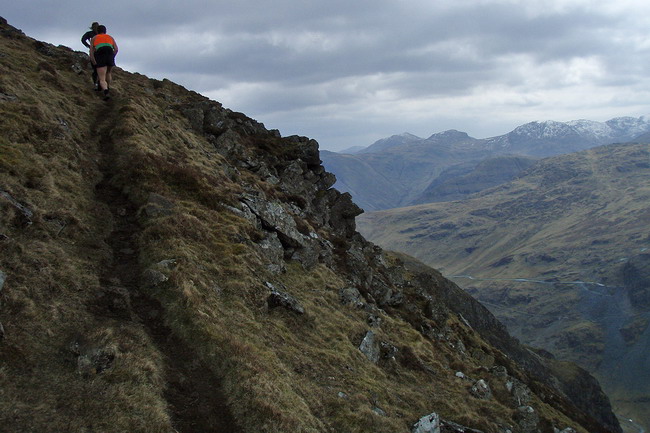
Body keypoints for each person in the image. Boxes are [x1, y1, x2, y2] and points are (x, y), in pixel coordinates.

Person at [89, 25, 118, 101]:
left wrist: (94, 61)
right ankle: (108, 87)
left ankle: (106, 92)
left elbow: (91, 51)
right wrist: (113, 56)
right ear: (105, 31)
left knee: (101, 77)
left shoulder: (94, 38)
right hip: (110, 54)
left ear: (97, 31)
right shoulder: (110, 37)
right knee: (108, 73)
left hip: (100, 55)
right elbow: (116, 49)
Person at [81, 22, 100, 90]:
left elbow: (83, 40)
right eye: (95, 27)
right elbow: (83, 40)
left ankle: (98, 83)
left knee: (99, 69)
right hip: (95, 53)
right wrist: (89, 46)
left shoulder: (99, 34)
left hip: (99, 52)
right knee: (96, 69)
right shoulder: (90, 34)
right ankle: (96, 83)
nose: (96, 28)